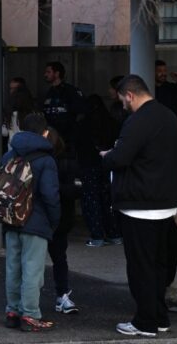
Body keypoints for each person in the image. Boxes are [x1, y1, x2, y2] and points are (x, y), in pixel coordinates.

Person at [101, 75, 177, 337]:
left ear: (130, 95)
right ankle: (159, 317)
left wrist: (107, 156)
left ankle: (144, 322)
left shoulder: (137, 121)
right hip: (165, 204)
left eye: (123, 99)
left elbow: (121, 157)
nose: (123, 104)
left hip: (139, 205)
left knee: (140, 268)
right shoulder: (169, 116)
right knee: (158, 266)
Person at [2, 113, 60, 332]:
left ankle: (12, 311)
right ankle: (30, 315)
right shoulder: (46, 160)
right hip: (36, 222)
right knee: (32, 270)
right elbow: (50, 195)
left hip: (11, 219)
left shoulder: (9, 155)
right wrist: (53, 222)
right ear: (44, 133)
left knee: (13, 268)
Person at [40, 61, 83, 315]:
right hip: (53, 218)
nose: (46, 75)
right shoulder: (43, 160)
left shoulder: (64, 162)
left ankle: (59, 294)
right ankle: (58, 295)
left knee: (53, 257)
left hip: (53, 218)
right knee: (55, 257)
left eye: (48, 70)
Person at [76, 94, 121, 247]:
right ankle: (114, 234)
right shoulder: (111, 123)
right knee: (108, 199)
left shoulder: (83, 125)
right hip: (107, 165)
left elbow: (79, 146)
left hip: (88, 166)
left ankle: (97, 236)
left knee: (91, 200)